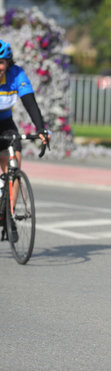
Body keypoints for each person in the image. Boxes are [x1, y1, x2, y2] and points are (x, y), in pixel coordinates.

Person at [0, 40, 49, 241]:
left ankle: (8, 213)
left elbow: (30, 102)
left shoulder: (16, 74)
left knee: (14, 163)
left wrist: (40, 129)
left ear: (9, 63)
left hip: (5, 122)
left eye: (2, 62)